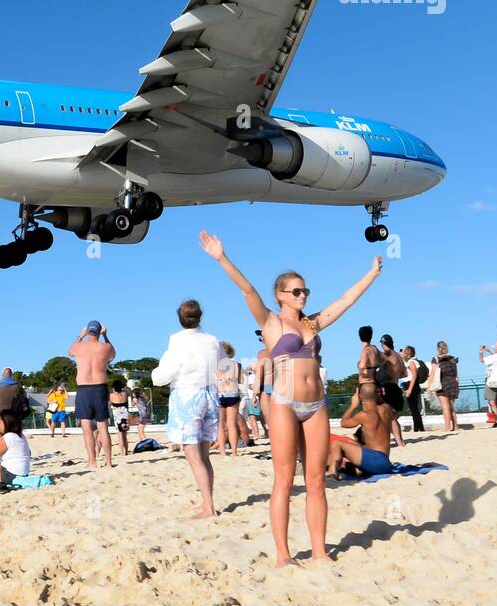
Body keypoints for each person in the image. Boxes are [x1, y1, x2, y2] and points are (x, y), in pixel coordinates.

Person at [200, 230, 381, 565]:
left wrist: (371, 273)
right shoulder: (270, 321)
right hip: (284, 403)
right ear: (281, 295)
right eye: (296, 291)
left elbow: (345, 301)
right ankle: (283, 554)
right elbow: (247, 289)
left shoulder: (313, 325)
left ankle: (319, 551)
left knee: (316, 479)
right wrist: (222, 257)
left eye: (305, 290)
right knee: (284, 478)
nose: (303, 295)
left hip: (316, 406)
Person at [153, 299, 221, 518]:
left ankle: (208, 507)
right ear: (200, 316)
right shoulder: (212, 340)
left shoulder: (177, 341)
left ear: (180, 318)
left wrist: (156, 374)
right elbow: (222, 363)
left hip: (187, 396)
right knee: (204, 455)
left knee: (193, 456)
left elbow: (163, 376)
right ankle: (206, 502)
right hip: (210, 394)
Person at [69, 320, 116, 470]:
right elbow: (113, 355)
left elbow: (70, 353)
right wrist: (106, 336)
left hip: (84, 389)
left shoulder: (79, 346)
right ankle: (108, 462)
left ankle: (92, 462)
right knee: (103, 427)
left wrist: (80, 336)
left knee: (86, 428)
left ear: (88, 331)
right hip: (100, 388)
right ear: (99, 331)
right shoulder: (105, 347)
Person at [327, 385, 395, 477]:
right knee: (353, 445)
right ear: (377, 394)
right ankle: (347, 468)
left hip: (374, 461)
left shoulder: (364, 415)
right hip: (386, 463)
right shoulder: (387, 408)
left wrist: (353, 405)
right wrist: (377, 397)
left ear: (360, 396)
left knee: (337, 443)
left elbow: (344, 423)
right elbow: (395, 415)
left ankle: (332, 472)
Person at [375, 334, 407, 448]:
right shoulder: (398, 356)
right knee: (392, 417)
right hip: (396, 388)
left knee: (386, 417)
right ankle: (400, 442)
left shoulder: (387, 355)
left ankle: (389, 442)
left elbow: (385, 373)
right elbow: (405, 373)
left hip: (388, 388)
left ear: (383, 343)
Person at [214, 344, 243, 458]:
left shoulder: (214, 365)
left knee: (220, 426)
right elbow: (240, 380)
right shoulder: (237, 365)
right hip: (233, 394)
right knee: (232, 425)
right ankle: (234, 452)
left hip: (219, 395)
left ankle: (222, 452)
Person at [431, 341, 459, 432]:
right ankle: (455, 427)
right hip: (453, 382)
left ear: (437, 348)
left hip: (442, 382)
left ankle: (447, 428)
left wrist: (430, 385)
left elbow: (433, 373)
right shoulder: (452, 359)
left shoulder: (436, 359)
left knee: (445, 407)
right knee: (451, 406)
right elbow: (456, 374)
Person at [401, 346, 425, 432]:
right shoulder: (410, 362)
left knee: (414, 408)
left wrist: (409, 389)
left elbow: (414, 376)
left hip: (411, 385)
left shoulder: (411, 362)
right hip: (412, 385)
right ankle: (420, 428)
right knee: (414, 408)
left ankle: (417, 428)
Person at [109, 379, 132, 460]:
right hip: (125, 415)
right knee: (125, 435)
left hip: (117, 416)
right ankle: (126, 451)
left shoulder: (111, 395)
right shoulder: (125, 394)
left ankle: (122, 452)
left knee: (120, 435)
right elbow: (130, 392)